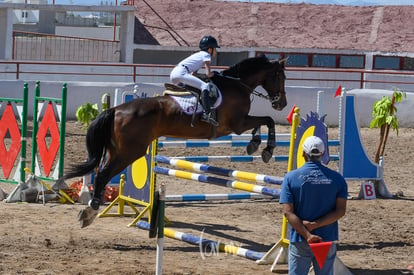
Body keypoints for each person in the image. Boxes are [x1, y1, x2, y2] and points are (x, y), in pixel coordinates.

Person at [280, 135, 348, 275]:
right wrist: (316, 224)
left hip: (300, 238)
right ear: (323, 154)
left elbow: (287, 212)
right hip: (326, 238)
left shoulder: (291, 178)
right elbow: (340, 211)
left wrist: (307, 234)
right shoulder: (337, 179)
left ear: (303, 154)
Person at [170, 35, 220, 126]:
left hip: (174, 73)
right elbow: (209, 74)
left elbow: (194, 74)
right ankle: (206, 113)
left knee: (194, 89)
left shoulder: (198, 55)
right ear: (210, 49)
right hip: (182, 73)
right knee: (205, 86)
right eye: (215, 49)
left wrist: (203, 76)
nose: (216, 51)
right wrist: (216, 74)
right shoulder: (206, 55)